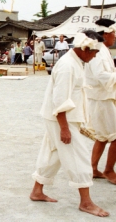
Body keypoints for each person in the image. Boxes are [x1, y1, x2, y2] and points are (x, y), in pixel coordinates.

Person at [30, 33, 109, 218]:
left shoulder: (76, 62)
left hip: (61, 117)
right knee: (78, 155)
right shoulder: (67, 65)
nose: (96, 55)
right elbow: (60, 99)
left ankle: (37, 191)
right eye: (95, 52)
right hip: (61, 118)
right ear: (85, 48)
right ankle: (86, 202)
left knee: (52, 153)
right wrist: (64, 128)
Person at [84, 19, 116, 184]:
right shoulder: (98, 50)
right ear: (107, 33)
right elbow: (101, 76)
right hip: (100, 99)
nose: (115, 37)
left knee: (103, 137)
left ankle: (93, 169)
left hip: (104, 97)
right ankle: (109, 170)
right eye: (114, 33)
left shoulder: (103, 49)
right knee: (114, 137)